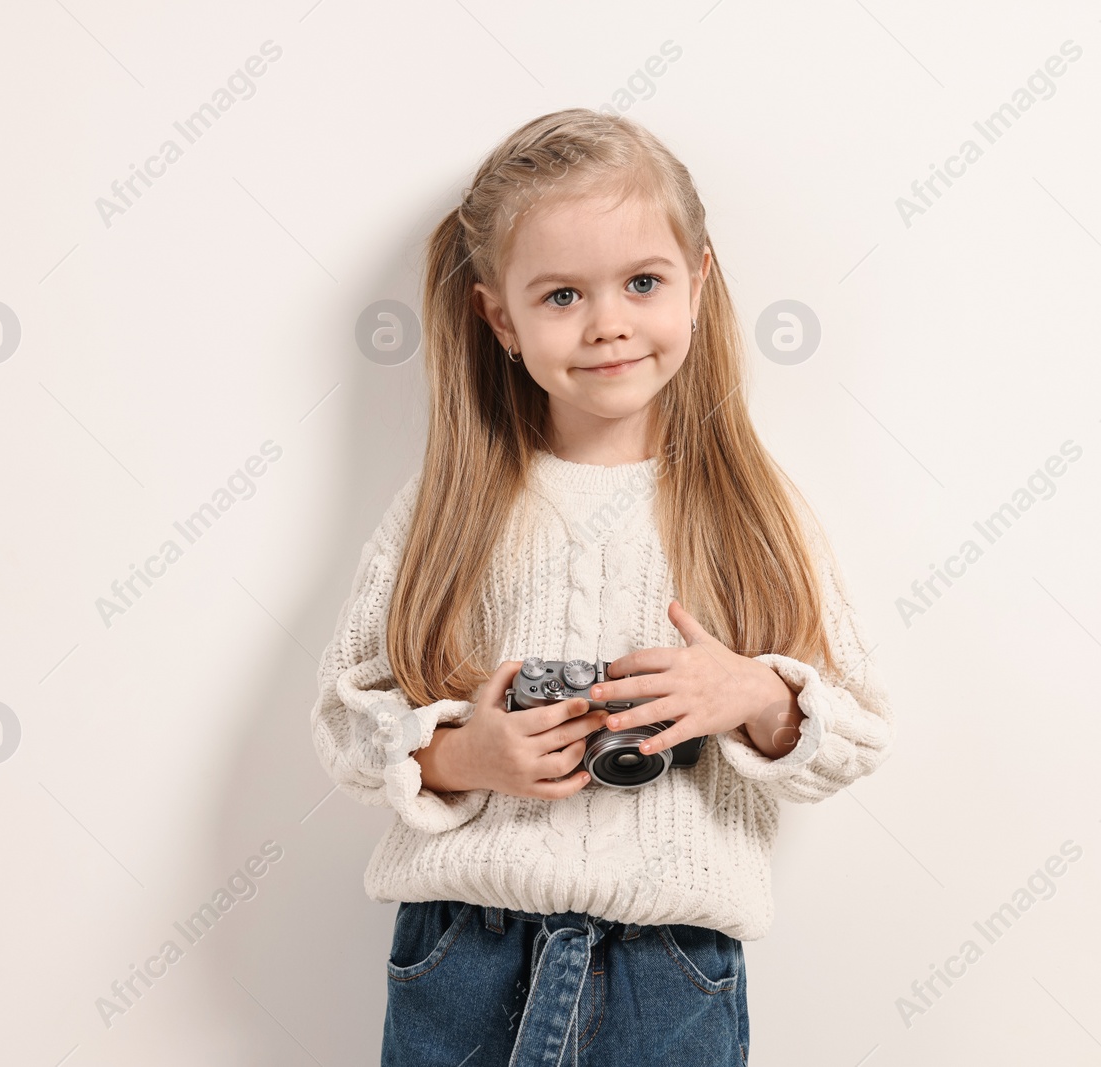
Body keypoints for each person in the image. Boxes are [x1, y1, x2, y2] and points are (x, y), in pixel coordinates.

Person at [310, 106, 896, 1067]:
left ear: (699, 283)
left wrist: (750, 693)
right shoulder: (455, 503)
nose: (609, 323)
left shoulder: (748, 506)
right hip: (465, 949)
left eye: (642, 282)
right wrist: (467, 755)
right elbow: (346, 719)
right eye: (561, 296)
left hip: (672, 970)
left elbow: (860, 728)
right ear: (500, 317)